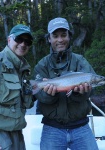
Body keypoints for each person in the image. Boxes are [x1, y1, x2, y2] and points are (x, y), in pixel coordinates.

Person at [33, 17, 99, 150]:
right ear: (49, 39)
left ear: (69, 37)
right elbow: (40, 97)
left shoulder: (80, 61)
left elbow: (91, 91)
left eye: (64, 35)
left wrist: (79, 92)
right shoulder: (42, 65)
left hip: (81, 127)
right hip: (52, 128)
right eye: (55, 36)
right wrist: (50, 94)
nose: (60, 40)